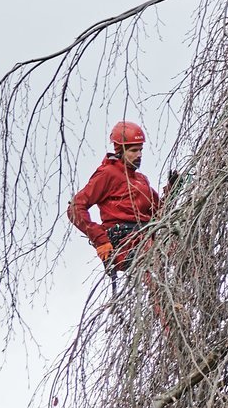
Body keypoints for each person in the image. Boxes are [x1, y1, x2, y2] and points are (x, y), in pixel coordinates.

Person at [68, 120, 163, 287]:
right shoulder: (108, 174)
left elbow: (159, 212)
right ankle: (163, 308)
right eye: (134, 150)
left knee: (185, 247)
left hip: (147, 237)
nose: (139, 155)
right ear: (120, 151)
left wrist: (173, 188)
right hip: (125, 242)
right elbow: (76, 207)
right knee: (151, 262)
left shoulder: (141, 180)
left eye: (141, 150)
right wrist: (100, 239)